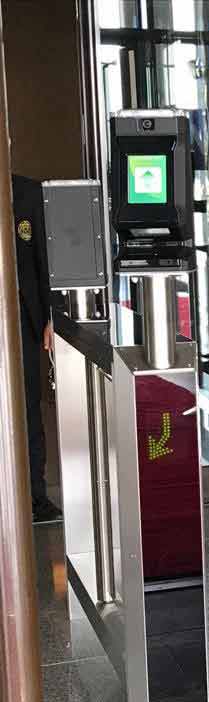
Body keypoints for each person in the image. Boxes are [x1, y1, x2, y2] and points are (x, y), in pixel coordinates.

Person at [11, 174, 61, 524]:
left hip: (22, 319)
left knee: (28, 407)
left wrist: (51, 317)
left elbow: (45, 258)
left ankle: (35, 498)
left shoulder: (28, 193)